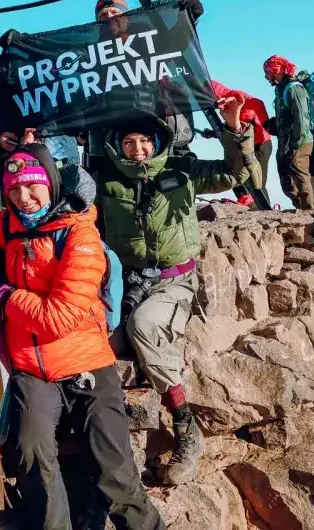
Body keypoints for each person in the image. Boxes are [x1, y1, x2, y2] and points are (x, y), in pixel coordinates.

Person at [0, 146, 164, 530]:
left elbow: (58, 318)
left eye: (32, 186)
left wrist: (2, 292)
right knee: (31, 454)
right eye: (14, 190)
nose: (23, 197)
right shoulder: (8, 224)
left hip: (86, 361)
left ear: (51, 184)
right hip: (31, 368)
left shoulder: (80, 234)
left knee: (115, 470)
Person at [97, 98, 255, 486]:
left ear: (157, 141)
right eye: (129, 142)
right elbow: (54, 191)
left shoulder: (182, 170)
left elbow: (239, 175)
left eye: (144, 142)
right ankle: (103, 441)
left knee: (145, 326)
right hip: (127, 280)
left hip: (174, 279)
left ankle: (185, 424)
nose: (138, 149)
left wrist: (234, 131)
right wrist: (24, 148)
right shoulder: (105, 180)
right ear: (117, 145)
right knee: (97, 340)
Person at [262, 55, 314, 210]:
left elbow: (302, 118)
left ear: (276, 70)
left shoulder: (294, 89)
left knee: (300, 176)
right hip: (285, 142)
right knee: (286, 178)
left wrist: (296, 144)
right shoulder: (281, 90)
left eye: (267, 72)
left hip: (299, 141)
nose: (266, 77)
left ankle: (309, 212)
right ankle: (300, 208)